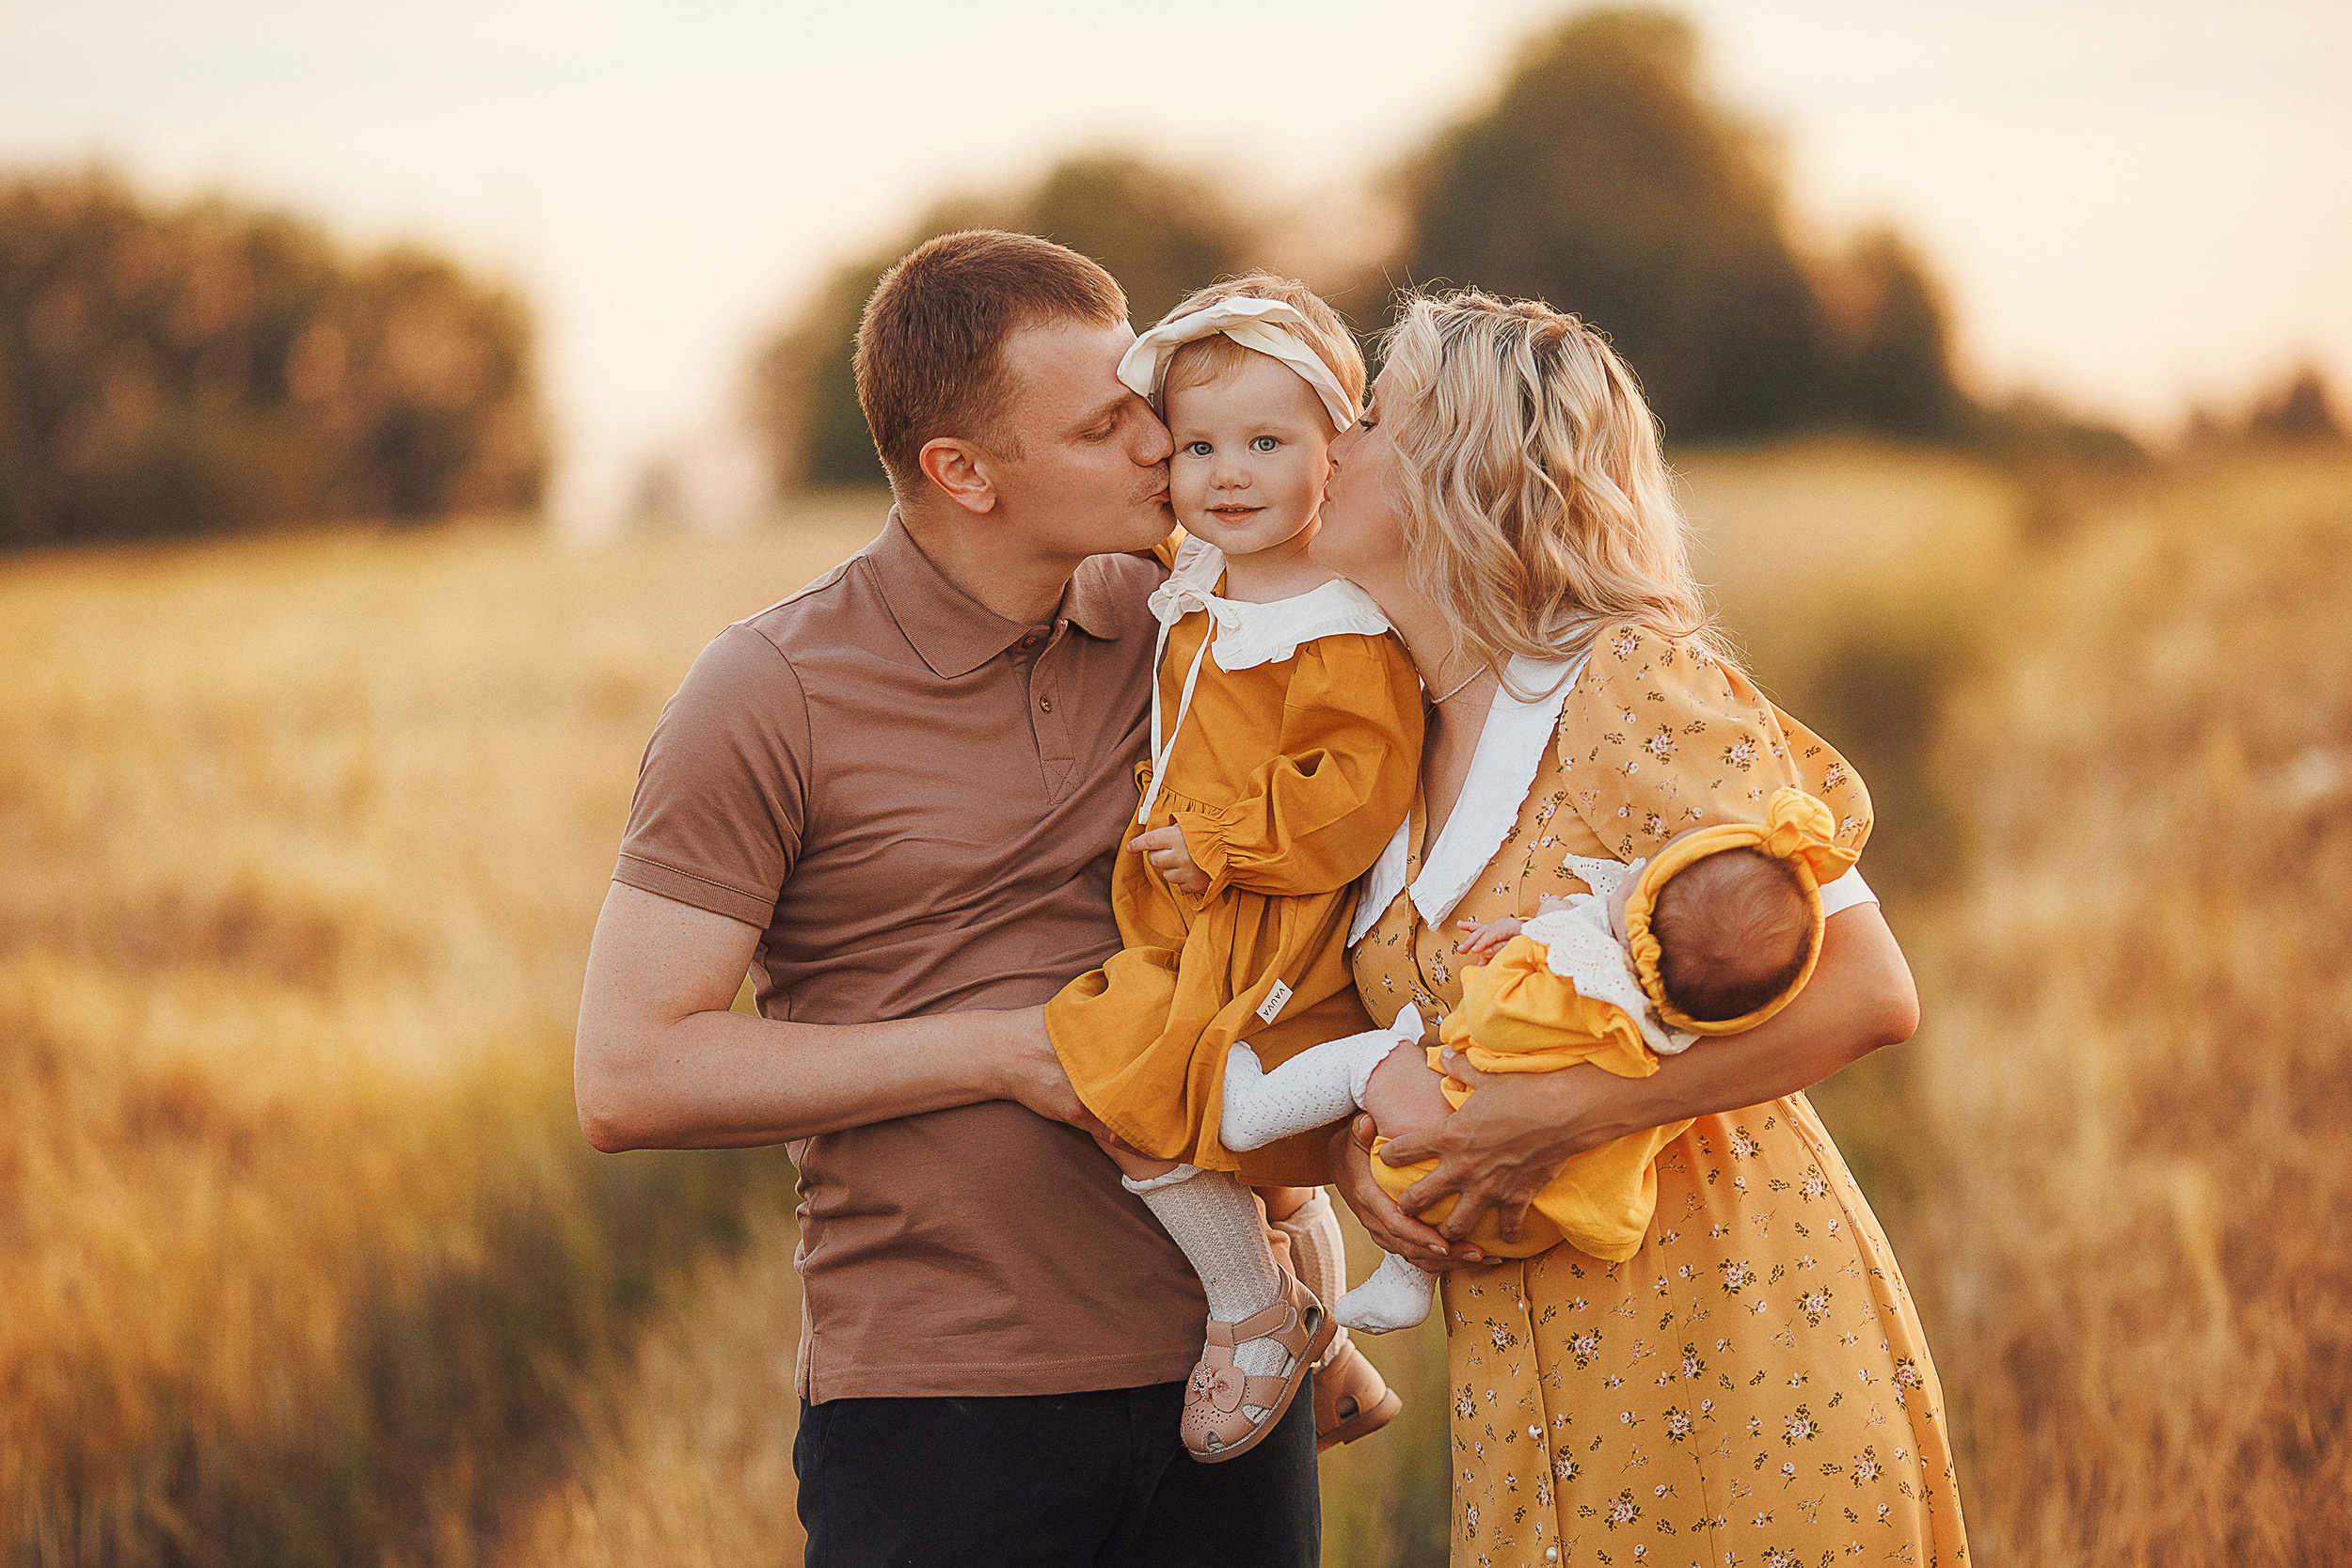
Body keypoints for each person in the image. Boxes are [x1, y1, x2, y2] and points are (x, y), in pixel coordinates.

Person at [572, 231, 1355, 1567]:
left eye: (1147, 404)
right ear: (964, 472)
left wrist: (1314, 1256)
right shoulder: (770, 692)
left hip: (1225, 1379)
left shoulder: (1197, 622)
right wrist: (1001, 1050)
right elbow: (631, 1072)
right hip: (940, 1406)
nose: (1162, 447)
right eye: (1108, 424)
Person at [1309, 289, 1971, 1566]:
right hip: (1526, 1369)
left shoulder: (1625, 680)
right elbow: (1412, 1040)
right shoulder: (1386, 735)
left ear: (1470, 463)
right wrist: (1364, 1155)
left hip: (1731, 1332)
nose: (1333, 435)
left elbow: (1870, 990)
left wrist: (1563, 1114)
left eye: (1373, 414)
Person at [1041, 275, 1422, 1462]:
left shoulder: (1337, 619)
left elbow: (1356, 785)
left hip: (1272, 921)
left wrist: (1220, 839)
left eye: (1267, 441)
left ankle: (1255, 1311)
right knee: (1222, 1134)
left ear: (1337, 452)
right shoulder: (1200, 579)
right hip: (1190, 914)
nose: (1229, 474)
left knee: (1115, 1071)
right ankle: (1329, 1355)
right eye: (1198, 446)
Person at [1221, 786, 1856, 1335]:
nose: (1632, 868)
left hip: (1462, 1138)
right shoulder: (1682, 1033)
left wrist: (1526, 947)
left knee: (1377, 1058)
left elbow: (1494, 1018)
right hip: (1547, 1216)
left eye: (1644, 874)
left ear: (1636, 929)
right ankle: (1405, 1275)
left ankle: (1250, 1113)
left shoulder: (1589, 980)